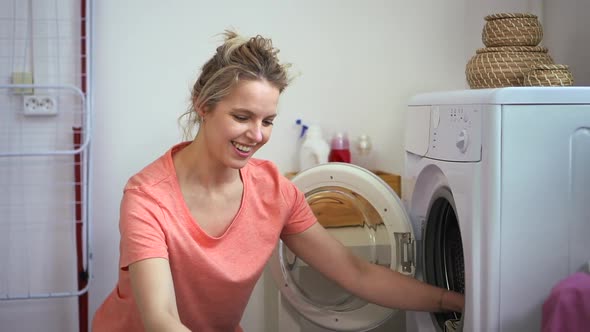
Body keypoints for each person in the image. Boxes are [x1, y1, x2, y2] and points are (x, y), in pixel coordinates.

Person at [92, 30, 464, 332]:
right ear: (203, 105)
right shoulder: (148, 198)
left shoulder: (274, 192)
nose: (256, 135)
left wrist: (453, 301)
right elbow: (161, 319)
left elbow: (356, 273)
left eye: (267, 121)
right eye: (241, 116)